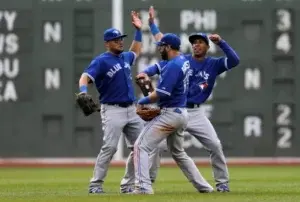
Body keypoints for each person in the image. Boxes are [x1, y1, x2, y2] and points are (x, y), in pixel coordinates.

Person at [145, 6, 240, 192]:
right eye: (194, 42)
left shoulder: (214, 64)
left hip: (195, 112)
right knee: (156, 145)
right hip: (175, 110)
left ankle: (222, 184)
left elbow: (235, 60)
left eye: (200, 42)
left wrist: (222, 42)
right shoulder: (182, 60)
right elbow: (163, 43)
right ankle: (147, 181)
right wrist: (152, 26)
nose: (196, 44)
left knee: (214, 145)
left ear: (207, 46)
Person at [133, 33, 214, 194]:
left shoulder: (173, 66)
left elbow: (161, 94)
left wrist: (141, 102)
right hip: (182, 113)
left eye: (162, 46)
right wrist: (146, 72)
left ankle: (143, 187)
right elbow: (160, 66)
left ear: (169, 47)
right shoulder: (182, 60)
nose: (160, 49)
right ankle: (205, 187)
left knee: (140, 146)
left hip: (170, 114)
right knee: (178, 153)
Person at [77, 11, 144, 194]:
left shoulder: (125, 57)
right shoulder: (101, 61)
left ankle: (128, 185)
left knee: (141, 147)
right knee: (110, 147)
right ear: (107, 43)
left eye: (121, 39)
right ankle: (95, 184)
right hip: (112, 109)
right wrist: (83, 92)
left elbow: (136, 51)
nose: (120, 42)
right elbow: (84, 77)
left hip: (132, 108)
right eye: (116, 40)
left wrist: (139, 30)